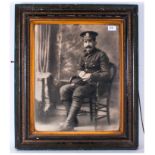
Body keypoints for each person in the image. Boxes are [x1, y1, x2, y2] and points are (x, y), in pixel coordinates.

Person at [59, 31, 110, 131]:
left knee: (78, 92)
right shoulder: (83, 55)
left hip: (95, 86)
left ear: (95, 42)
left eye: (90, 41)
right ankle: (73, 120)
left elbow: (106, 74)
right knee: (63, 89)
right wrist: (80, 73)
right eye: (85, 42)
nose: (87, 44)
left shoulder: (101, 55)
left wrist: (91, 75)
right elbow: (79, 68)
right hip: (82, 83)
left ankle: (68, 123)